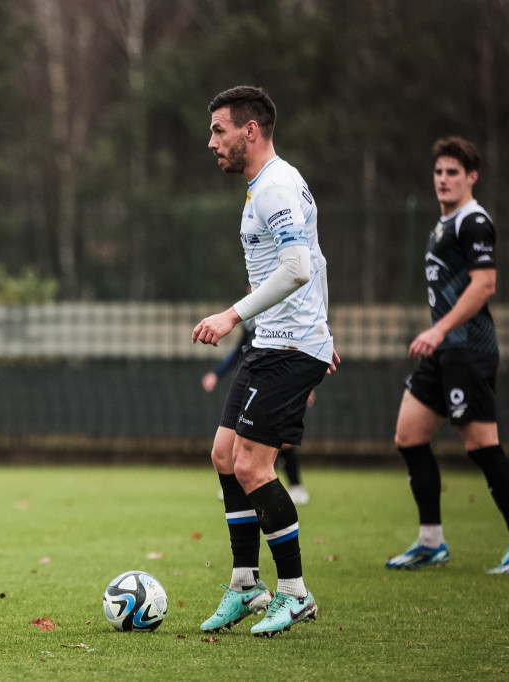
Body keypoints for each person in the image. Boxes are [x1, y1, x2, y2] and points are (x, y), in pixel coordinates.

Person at [192, 86, 338, 637]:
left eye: (219, 131)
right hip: (275, 341)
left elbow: (298, 266)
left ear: (249, 130)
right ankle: (246, 585)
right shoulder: (269, 185)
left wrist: (233, 314)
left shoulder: (274, 186)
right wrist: (322, 326)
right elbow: (315, 259)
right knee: (225, 456)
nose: (212, 143)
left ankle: (295, 593)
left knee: (254, 466)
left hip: (286, 346)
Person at [386, 137, 509, 575]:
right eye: (439, 172)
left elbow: (484, 286)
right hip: (443, 353)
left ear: (471, 177)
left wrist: (438, 329)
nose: (443, 180)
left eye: (453, 172)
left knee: (481, 446)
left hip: (468, 352)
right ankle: (431, 541)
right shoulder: (443, 224)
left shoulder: (473, 222)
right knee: (409, 436)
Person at [202, 318, 311, 506]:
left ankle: (295, 486)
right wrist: (217, 373)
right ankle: (238, 483)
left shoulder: (282, 313)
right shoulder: (250, 320)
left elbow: (297, 348)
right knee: (240, 433)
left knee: (280, 441)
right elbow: (239, 351)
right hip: (251, 378)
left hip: (277, 378)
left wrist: (304, 384)